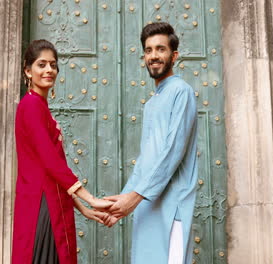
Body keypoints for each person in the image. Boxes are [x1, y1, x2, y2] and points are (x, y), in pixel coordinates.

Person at [103, 23, 199, 264]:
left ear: (174, 55)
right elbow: (147, 160)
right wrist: (121, 202)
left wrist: (133, 198)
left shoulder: (181, 92)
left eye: (160, 49)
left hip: (172, 207)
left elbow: (171, 154)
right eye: (148, 50)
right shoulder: (152, 102)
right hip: (146, 208)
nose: (154, 56)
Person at [11, 39, 113, 264]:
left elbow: (53, 170)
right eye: (41, 64)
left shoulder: (39, 107)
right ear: (27, 71)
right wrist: (91, 199)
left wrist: (83, 208)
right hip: (41, 205)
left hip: (51, 200)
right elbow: (50, 161)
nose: (49, 70)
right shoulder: (31, 106)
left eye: (53, 65)